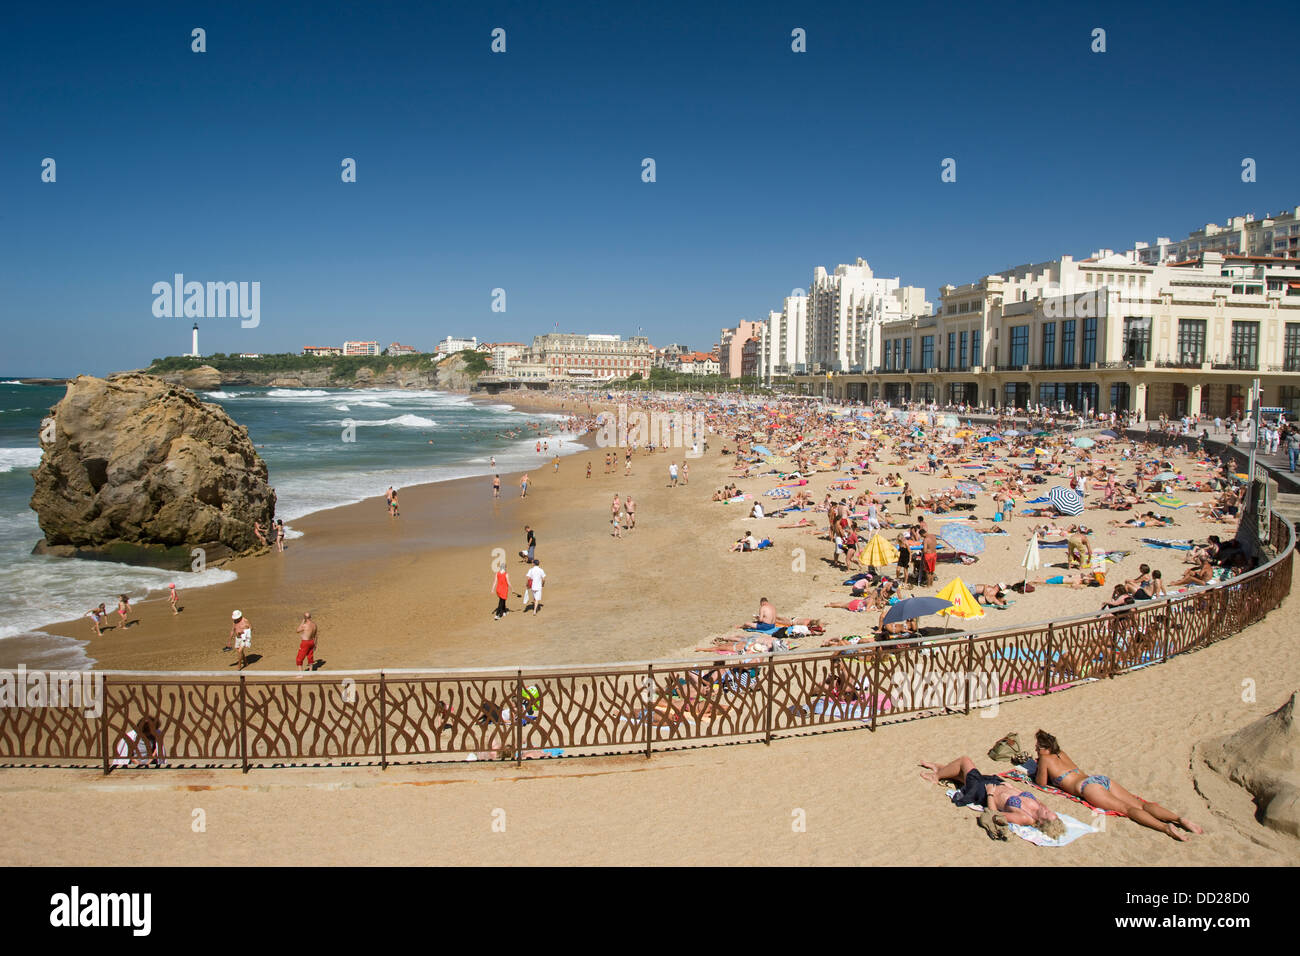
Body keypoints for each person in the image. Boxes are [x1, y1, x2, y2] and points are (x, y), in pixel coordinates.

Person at [1033, 730, 1201, 840]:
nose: (1036, 750)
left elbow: (1041, 783)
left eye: (1037, 748)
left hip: (1087, 788)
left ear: (1044, 748)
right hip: (1099, 779)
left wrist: (1038, 765)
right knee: (1141, 804)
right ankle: (1179, 819)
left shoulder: (1045, 759)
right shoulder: (1061, 753)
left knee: (1128, 810)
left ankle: (1166, 827)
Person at [920, 755, 1064, 838]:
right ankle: (940, 768)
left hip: (983, 792)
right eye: (1052, 813)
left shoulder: (1024, 817)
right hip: (997, 784)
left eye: (1048, 814)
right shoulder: (1040, 806)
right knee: (966, 774)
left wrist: (990, 793)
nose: (1048, 810)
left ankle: (936, 776)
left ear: (1042, 821)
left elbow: (995, 815)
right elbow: (1021, 793)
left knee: (965, 761)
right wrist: (1011, 787)